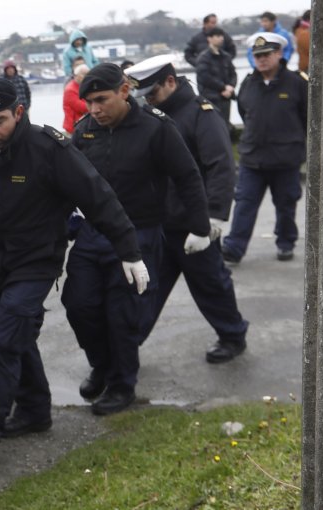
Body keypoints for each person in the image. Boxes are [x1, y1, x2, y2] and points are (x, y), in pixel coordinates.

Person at [0, 78, 143, 477]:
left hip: (36, 263)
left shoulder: (47, 148)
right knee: (12, 336)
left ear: (18, 113)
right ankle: (35, 408)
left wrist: (129, 250)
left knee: (2, 342)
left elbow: (97, 195)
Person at [64, 63, 210, 416]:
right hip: (93, 233)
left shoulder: (156, 129)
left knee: (123, 314)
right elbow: (65, 182)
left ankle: (121, 384)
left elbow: (188, 177)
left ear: (125, 92)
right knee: (79, 305)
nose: (95, 109)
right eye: (89, 102)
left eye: (102, 100)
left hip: (140, 231)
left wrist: (202, 227)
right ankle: (102, 365)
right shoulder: (84, 132)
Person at [125, 55, 249, 363]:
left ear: (170, 81)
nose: (148, 100)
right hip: (157, 222)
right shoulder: (150, 116)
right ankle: (126, 347)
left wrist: (213, 219)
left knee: (210, 283)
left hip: (193, 223)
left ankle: (233, 335)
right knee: (146, 288)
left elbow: (221, 166)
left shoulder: (201, 114)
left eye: (152, 93)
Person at [222, 33, 308, 264]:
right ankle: (234, 248)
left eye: (266, 55)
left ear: (279, 54)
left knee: (285, 205)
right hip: (253, 159)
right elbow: (244, 112)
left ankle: (286, 243)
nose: (261, 60)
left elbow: (308, 118)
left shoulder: (298, 83)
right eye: (257, 55)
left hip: (285, 159)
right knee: (244, 204)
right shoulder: (249, 83)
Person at [196, 27, 237, 125]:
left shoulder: (226, 56)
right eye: (218, 36)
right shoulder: (203, 58)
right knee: (213, 125)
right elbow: (205, 78)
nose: (221, 38)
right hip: (211, 98)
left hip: (226, 97)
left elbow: (233, 73)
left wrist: (231, 87)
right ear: (209, 38)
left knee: (225, 125)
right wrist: (223, 87)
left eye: (222, 36)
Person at [62, 64, 89, 132]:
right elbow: (83, 108)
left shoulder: (83, 87)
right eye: (84, 74)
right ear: (76, 75)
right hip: (74, 127)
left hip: (83, 125)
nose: (87, 77)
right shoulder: (70, 90)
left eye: (88, 74)